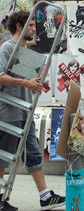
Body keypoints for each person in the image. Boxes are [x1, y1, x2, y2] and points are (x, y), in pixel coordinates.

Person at [0, 11, 65, 210]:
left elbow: (28, 82)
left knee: (34, 153)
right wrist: (26, 82)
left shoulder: (23, 51)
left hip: (25, 110)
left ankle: (45, 196)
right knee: (3, 156)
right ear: (20, 26)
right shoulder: (6, 48)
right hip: (10, 111)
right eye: (31, 25)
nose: (34, 29)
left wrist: (38, 83)